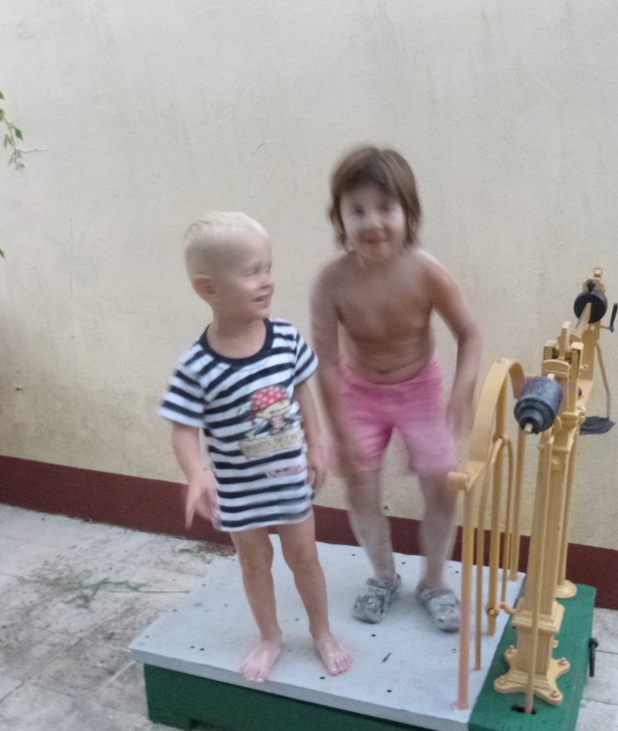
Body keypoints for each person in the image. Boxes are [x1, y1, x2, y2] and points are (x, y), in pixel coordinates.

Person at [161, 212, 352, 683]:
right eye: (252, 272)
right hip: (238, 490)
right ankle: (269, 636)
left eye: (268, 268)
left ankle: (322, 631)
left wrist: (317, 444)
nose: (267, 281)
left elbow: (302, 389)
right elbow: (183, 429)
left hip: (288, 480)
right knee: (254, 562)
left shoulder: (284, 338)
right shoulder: (197, 366)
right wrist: (197, 474)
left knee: (304, 557)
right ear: (209, 288)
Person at [311, 147, 482, 632]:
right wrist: (339, 431)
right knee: (359, 482)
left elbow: (470, 334)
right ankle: (383, 576)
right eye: (357, 210)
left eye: (386, 208)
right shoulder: (331, 282)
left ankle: (434, 581)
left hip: (419, 389)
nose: (373, 222)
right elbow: (326, 363)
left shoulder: (426, 273)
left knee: (442, 480)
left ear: (409, 213)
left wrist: (462, 392)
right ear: (339, 218)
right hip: (358, 392)